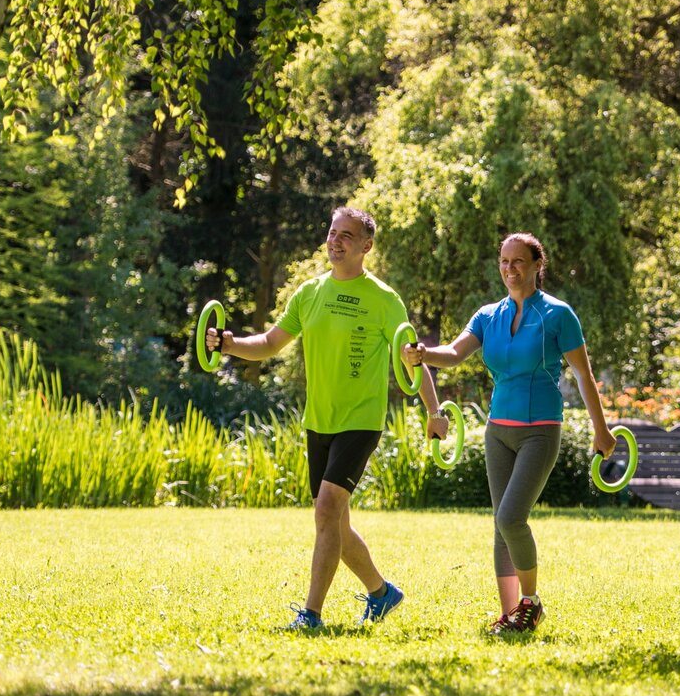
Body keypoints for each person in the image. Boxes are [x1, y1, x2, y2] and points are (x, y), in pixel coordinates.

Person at [206, 206, 449, 629]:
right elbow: (269, 343)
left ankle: (311, 614)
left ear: (366, 246)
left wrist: (433, 410)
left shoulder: (384, 299)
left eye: (347, 236)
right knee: (335, 520)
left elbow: (413, 358)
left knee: (325, 510)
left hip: (360, 420)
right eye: (333, 233)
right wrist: (228, 344)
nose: (336, 241)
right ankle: (382, 592)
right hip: (319, 419)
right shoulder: (309, 292)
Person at [404, 232, 615, 634]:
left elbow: (584, 375)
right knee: (500, 525)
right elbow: (453, 352)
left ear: (538, 265)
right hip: (498, 430)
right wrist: (423, 354)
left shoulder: (557, 315)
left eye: (518, 261)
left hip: (540, 430)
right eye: (504, 261)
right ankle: (509, 614)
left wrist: (601, 430)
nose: (510, 269)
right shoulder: (488, 316)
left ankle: (530, 604)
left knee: (511, 518)